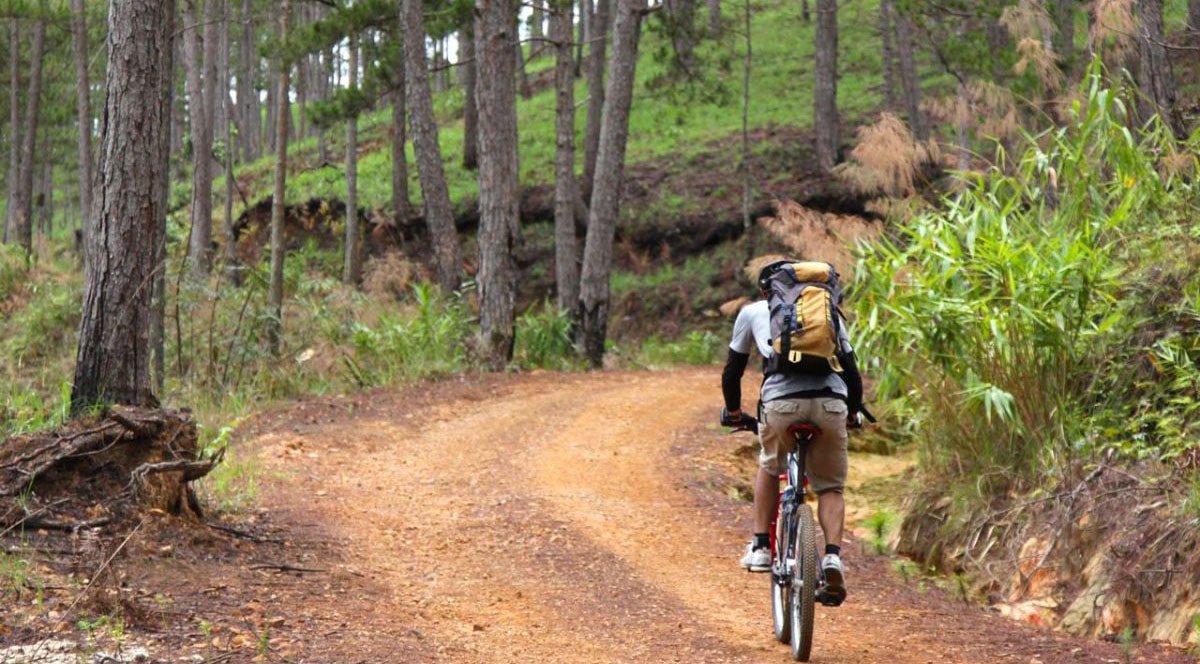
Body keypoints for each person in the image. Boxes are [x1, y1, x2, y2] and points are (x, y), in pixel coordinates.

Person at [719, 257, 865, 606]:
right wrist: (853, 412)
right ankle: (831, 556)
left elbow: (732, 371)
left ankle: (760, 547)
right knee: (830, 486)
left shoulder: (754, 312)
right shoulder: (826, 313)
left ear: (766, 290)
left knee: (770, 465)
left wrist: (735, 411)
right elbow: (851, 369)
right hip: (830, 403)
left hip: (781, 406)